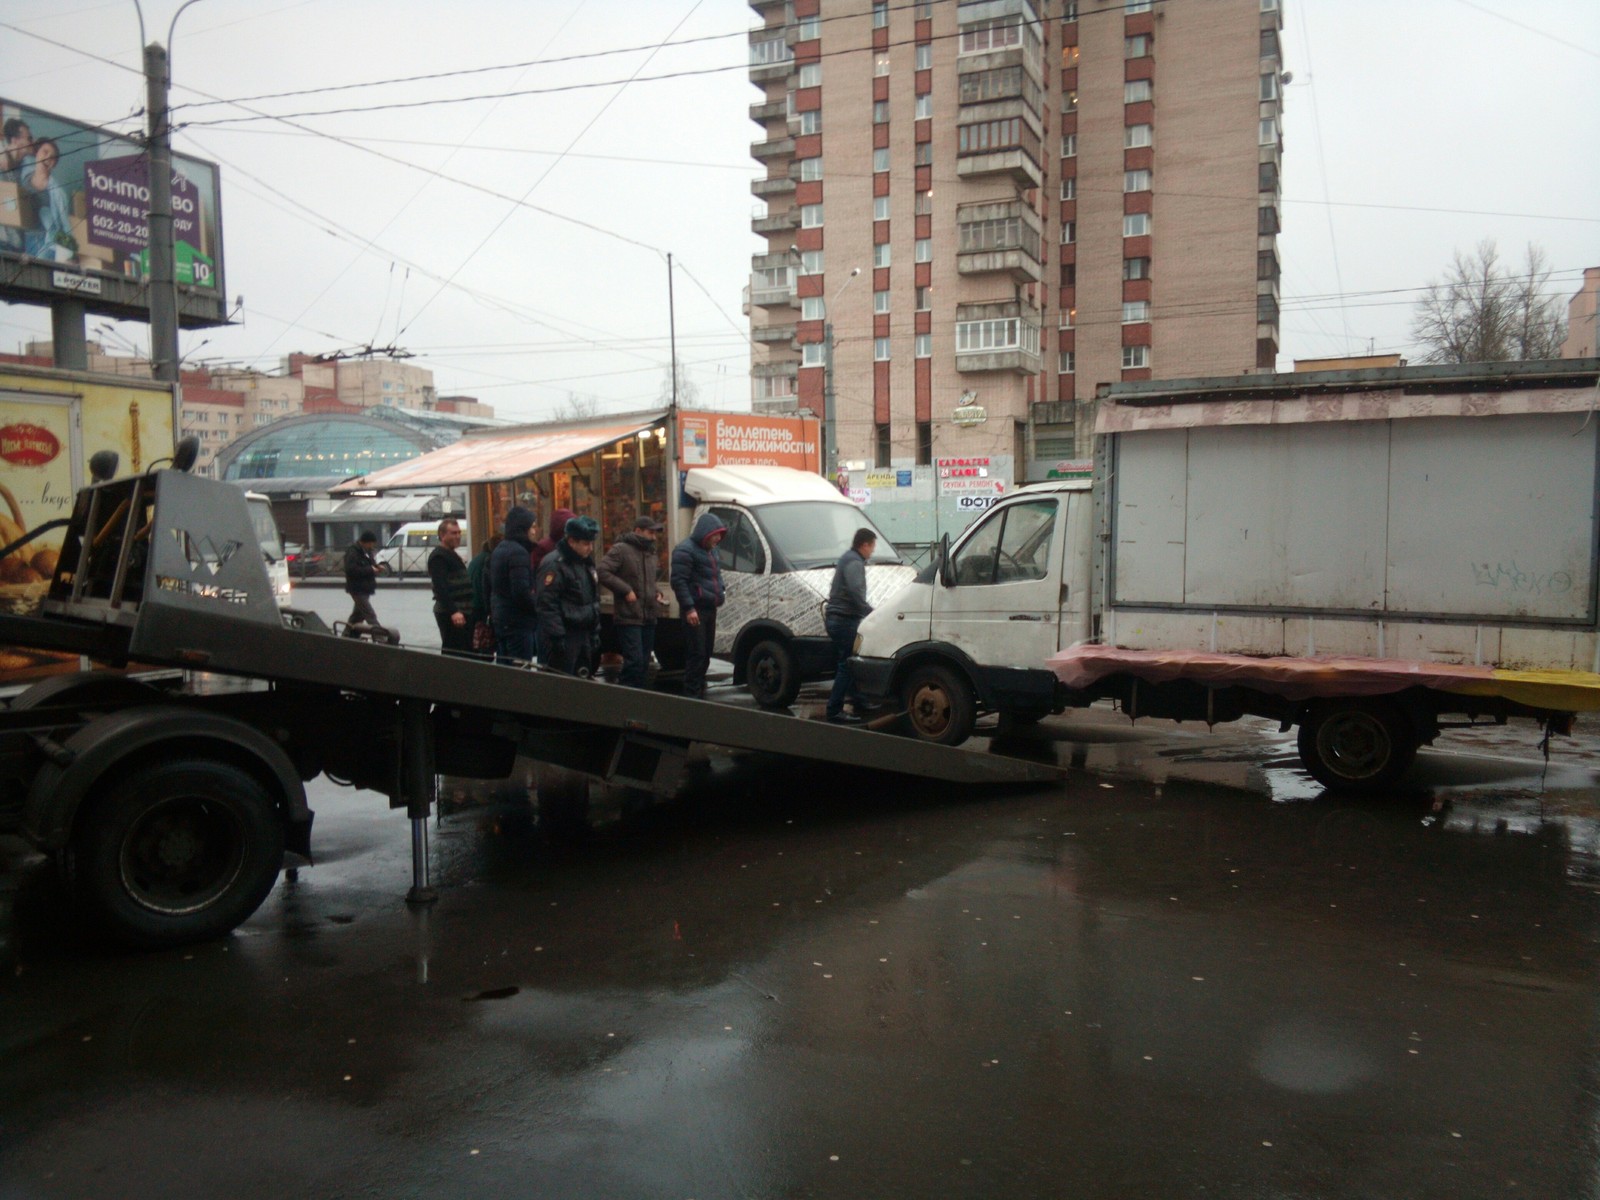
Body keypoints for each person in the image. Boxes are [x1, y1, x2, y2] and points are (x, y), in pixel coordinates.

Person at [598, 514, 665, 688]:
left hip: (649, 615)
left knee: (643, 662)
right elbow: (603, 571)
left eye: (655, 533)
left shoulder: (650, 552)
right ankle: (626, 696)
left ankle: (638, 697)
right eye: (650, 532)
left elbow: (648, 581)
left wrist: (657, 592)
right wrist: (625, 589)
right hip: (629, 615)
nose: (654, 536)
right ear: (638, 531)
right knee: (634, 661)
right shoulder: (621, 549)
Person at [535, 514, 601, 677]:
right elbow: (547, 603)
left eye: (591, 543)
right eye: (586, 544)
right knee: (562, 685)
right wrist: (557, 637)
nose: (590, 548)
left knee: (582, 680)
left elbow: (593, 598)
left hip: (583, 633)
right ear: (571, 541)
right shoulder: (555, 564)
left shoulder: (585, 562)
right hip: (566, 634)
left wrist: (594, 632)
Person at [670, 512, 727, 700]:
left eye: (720, 534)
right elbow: (679, 581)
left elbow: (715, 576)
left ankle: (698, 693)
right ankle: (691, 696)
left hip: (710, 609)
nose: (718, 539)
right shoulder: (685, 550)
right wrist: (689, 608)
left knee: (706, 653)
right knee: (697, 653)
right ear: (706, 533)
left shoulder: (712, 551)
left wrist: (722, 591)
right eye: (716, 534)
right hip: (695, 610)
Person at [824, 528, 877, 724]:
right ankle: (834, 710)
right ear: (864, 545)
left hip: (838, 618)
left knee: (849, 661)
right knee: (847, 664)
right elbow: (856, 593)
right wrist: (871, 612)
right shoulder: (854, 562)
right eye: (872, 547)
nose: (872, 551)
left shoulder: (848, 558)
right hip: (844, 620)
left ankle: (859, 699)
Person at [489, 507, 538, 664]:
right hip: (517, 622)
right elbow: (520, 591)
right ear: (523, 529)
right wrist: (537, 608)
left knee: (505, 667)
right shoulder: (519, 553)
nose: (534, 531)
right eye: (532, 527)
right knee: (520, 668)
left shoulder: (500, 549)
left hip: (502, 618)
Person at [428, 518, 473, 656]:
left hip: (462, 611)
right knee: (454, 651)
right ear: (442, 535)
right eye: (453, 533)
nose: (458, 536)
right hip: (451, 613)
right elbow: (440, 587)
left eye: (459, 533)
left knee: (462, 650)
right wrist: (454, 611)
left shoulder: (451, 554)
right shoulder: (439, 557)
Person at [23, 138, 70, 261]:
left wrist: (69, 254)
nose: (48, 158)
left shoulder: (58, 193)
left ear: (54, 164)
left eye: (53, 157)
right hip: (21, 239)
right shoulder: (23, 177)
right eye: (45, 152)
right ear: (37, 153)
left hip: (45, 244)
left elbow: (64, 226)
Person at [341, 531, 385, 638]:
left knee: (357, 616)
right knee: (369, 614)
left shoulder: (367, 551)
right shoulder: (353, 552)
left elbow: (370, 563)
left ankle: (347, 635)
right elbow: (351, 570)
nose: (372, 546)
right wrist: (370, 569)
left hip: (365, 588)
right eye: (371, 543)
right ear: (364, 542)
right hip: (357, 588)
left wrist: (377, 567)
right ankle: (381, 637)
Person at [466, 533, 501, 653]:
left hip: (472, 603)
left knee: (477, 639)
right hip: (480, 606)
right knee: (484, 640)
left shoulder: (478, 558)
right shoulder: (489, 560)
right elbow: (485, 586)